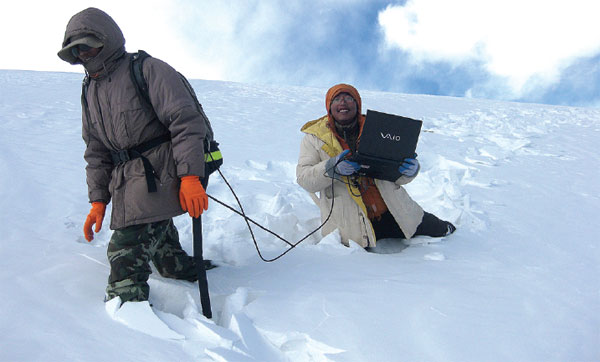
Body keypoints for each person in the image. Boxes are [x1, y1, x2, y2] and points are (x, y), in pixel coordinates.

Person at [58, 7, 213, 304]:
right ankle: (173, 263)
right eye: (76, 51)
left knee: (126, 246)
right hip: (126, 179)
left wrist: (190, 176)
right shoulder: (90, 90)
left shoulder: (147, 69)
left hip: (163, 169)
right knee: (154, 225)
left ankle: (126, 302)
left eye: (87, 46)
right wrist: (98, 200)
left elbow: (185, 123)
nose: (83, 55)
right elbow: (96, 150)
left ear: (107, 39)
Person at [296, 83, 455, 249]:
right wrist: (331, 168)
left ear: (358, 104)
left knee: (445, 230)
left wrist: (410, 172)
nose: (343, 102)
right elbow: (304, 179)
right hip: (351, 227)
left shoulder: (379, 129)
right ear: (329, 107)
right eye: (336, 99)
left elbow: (398, 176)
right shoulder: (313, 139)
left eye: (349, 98)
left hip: (395, 214)